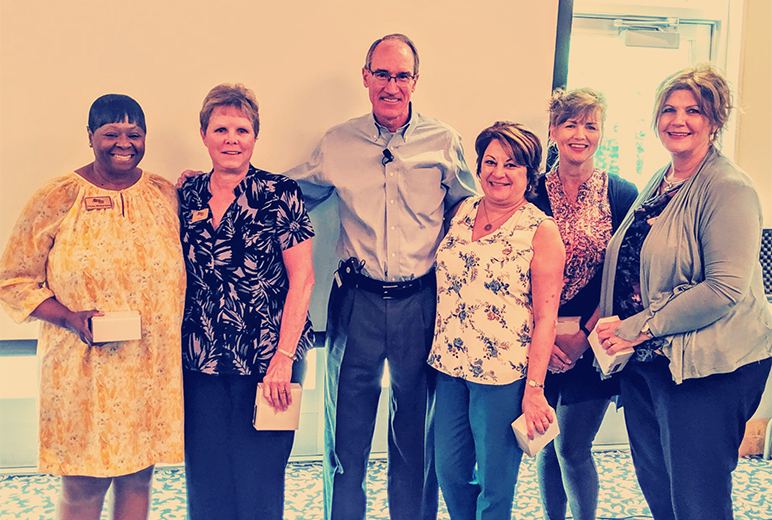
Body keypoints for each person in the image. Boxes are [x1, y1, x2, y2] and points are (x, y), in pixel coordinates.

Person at [285, 34, 477, 520]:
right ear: (366, 76)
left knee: (414, 435)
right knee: (344, 438)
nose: (392, 86)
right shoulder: (337, 142)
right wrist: (219, 182)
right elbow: (287, 194)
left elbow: (473, 210)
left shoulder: (444, 141)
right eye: (383, 74)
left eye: (402, 76)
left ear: (415, 81)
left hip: (421, 303)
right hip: (357, 302)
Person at [597, 64, 772, 520]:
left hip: (708, 369)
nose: (679, 120)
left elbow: (723, 288)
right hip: (650, 361)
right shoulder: (662, 180)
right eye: (669, 109)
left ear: (715, 121)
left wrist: (639, 327)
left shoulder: (728, 188)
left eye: (694, 110)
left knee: (698, 501)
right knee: (661, 490)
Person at [0, 94, 185, 520]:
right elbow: (13, 279)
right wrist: (68, 317)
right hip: (82, 370)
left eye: (134, 134)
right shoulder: (57, 196)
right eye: (111, 133)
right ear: (90, 137)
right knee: (84, 482)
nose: (124, 143)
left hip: (149, 369)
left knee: (139, 476)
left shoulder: (163, 194)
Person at [178, 83, 316, 520]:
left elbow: (303, 279)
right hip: (201, 362)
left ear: (255, 137)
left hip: (267, 361)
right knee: (207, 480)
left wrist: (283, 358)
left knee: (259, 481)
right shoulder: (187, 195)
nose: (231, 139)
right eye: (221, 129)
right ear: (203, 134)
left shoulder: (280, 193)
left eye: (242, 129)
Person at [428, 121, 565, 520]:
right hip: (450, 367)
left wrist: (534, 389)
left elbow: (545, 318)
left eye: (511, 165)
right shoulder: (461, 211)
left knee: (495, 485)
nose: (498, 173)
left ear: (529, 174)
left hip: (503, 378)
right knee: (449, 473)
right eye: (490, 162)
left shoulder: (540, 231)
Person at [532, 88, 638, 520]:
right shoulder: (531, 191)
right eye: (571, 123)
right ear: (554, 130)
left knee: (572, 445)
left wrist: (584, 336)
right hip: (537, 341)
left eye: (591, 125)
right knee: (545, 441)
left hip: (593, 341)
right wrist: (545, 335)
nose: (581, 134)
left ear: (601, 133)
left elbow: (629, 276)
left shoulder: (623, 193)